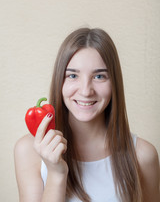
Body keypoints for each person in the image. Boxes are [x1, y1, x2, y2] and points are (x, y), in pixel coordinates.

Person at [14, 28, 160, 202]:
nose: (85, 91)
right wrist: (56, 174)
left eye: (99, 76)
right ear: (60, 81)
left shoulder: (143, 155)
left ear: (114, 84)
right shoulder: (29, 150)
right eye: (73, 75)